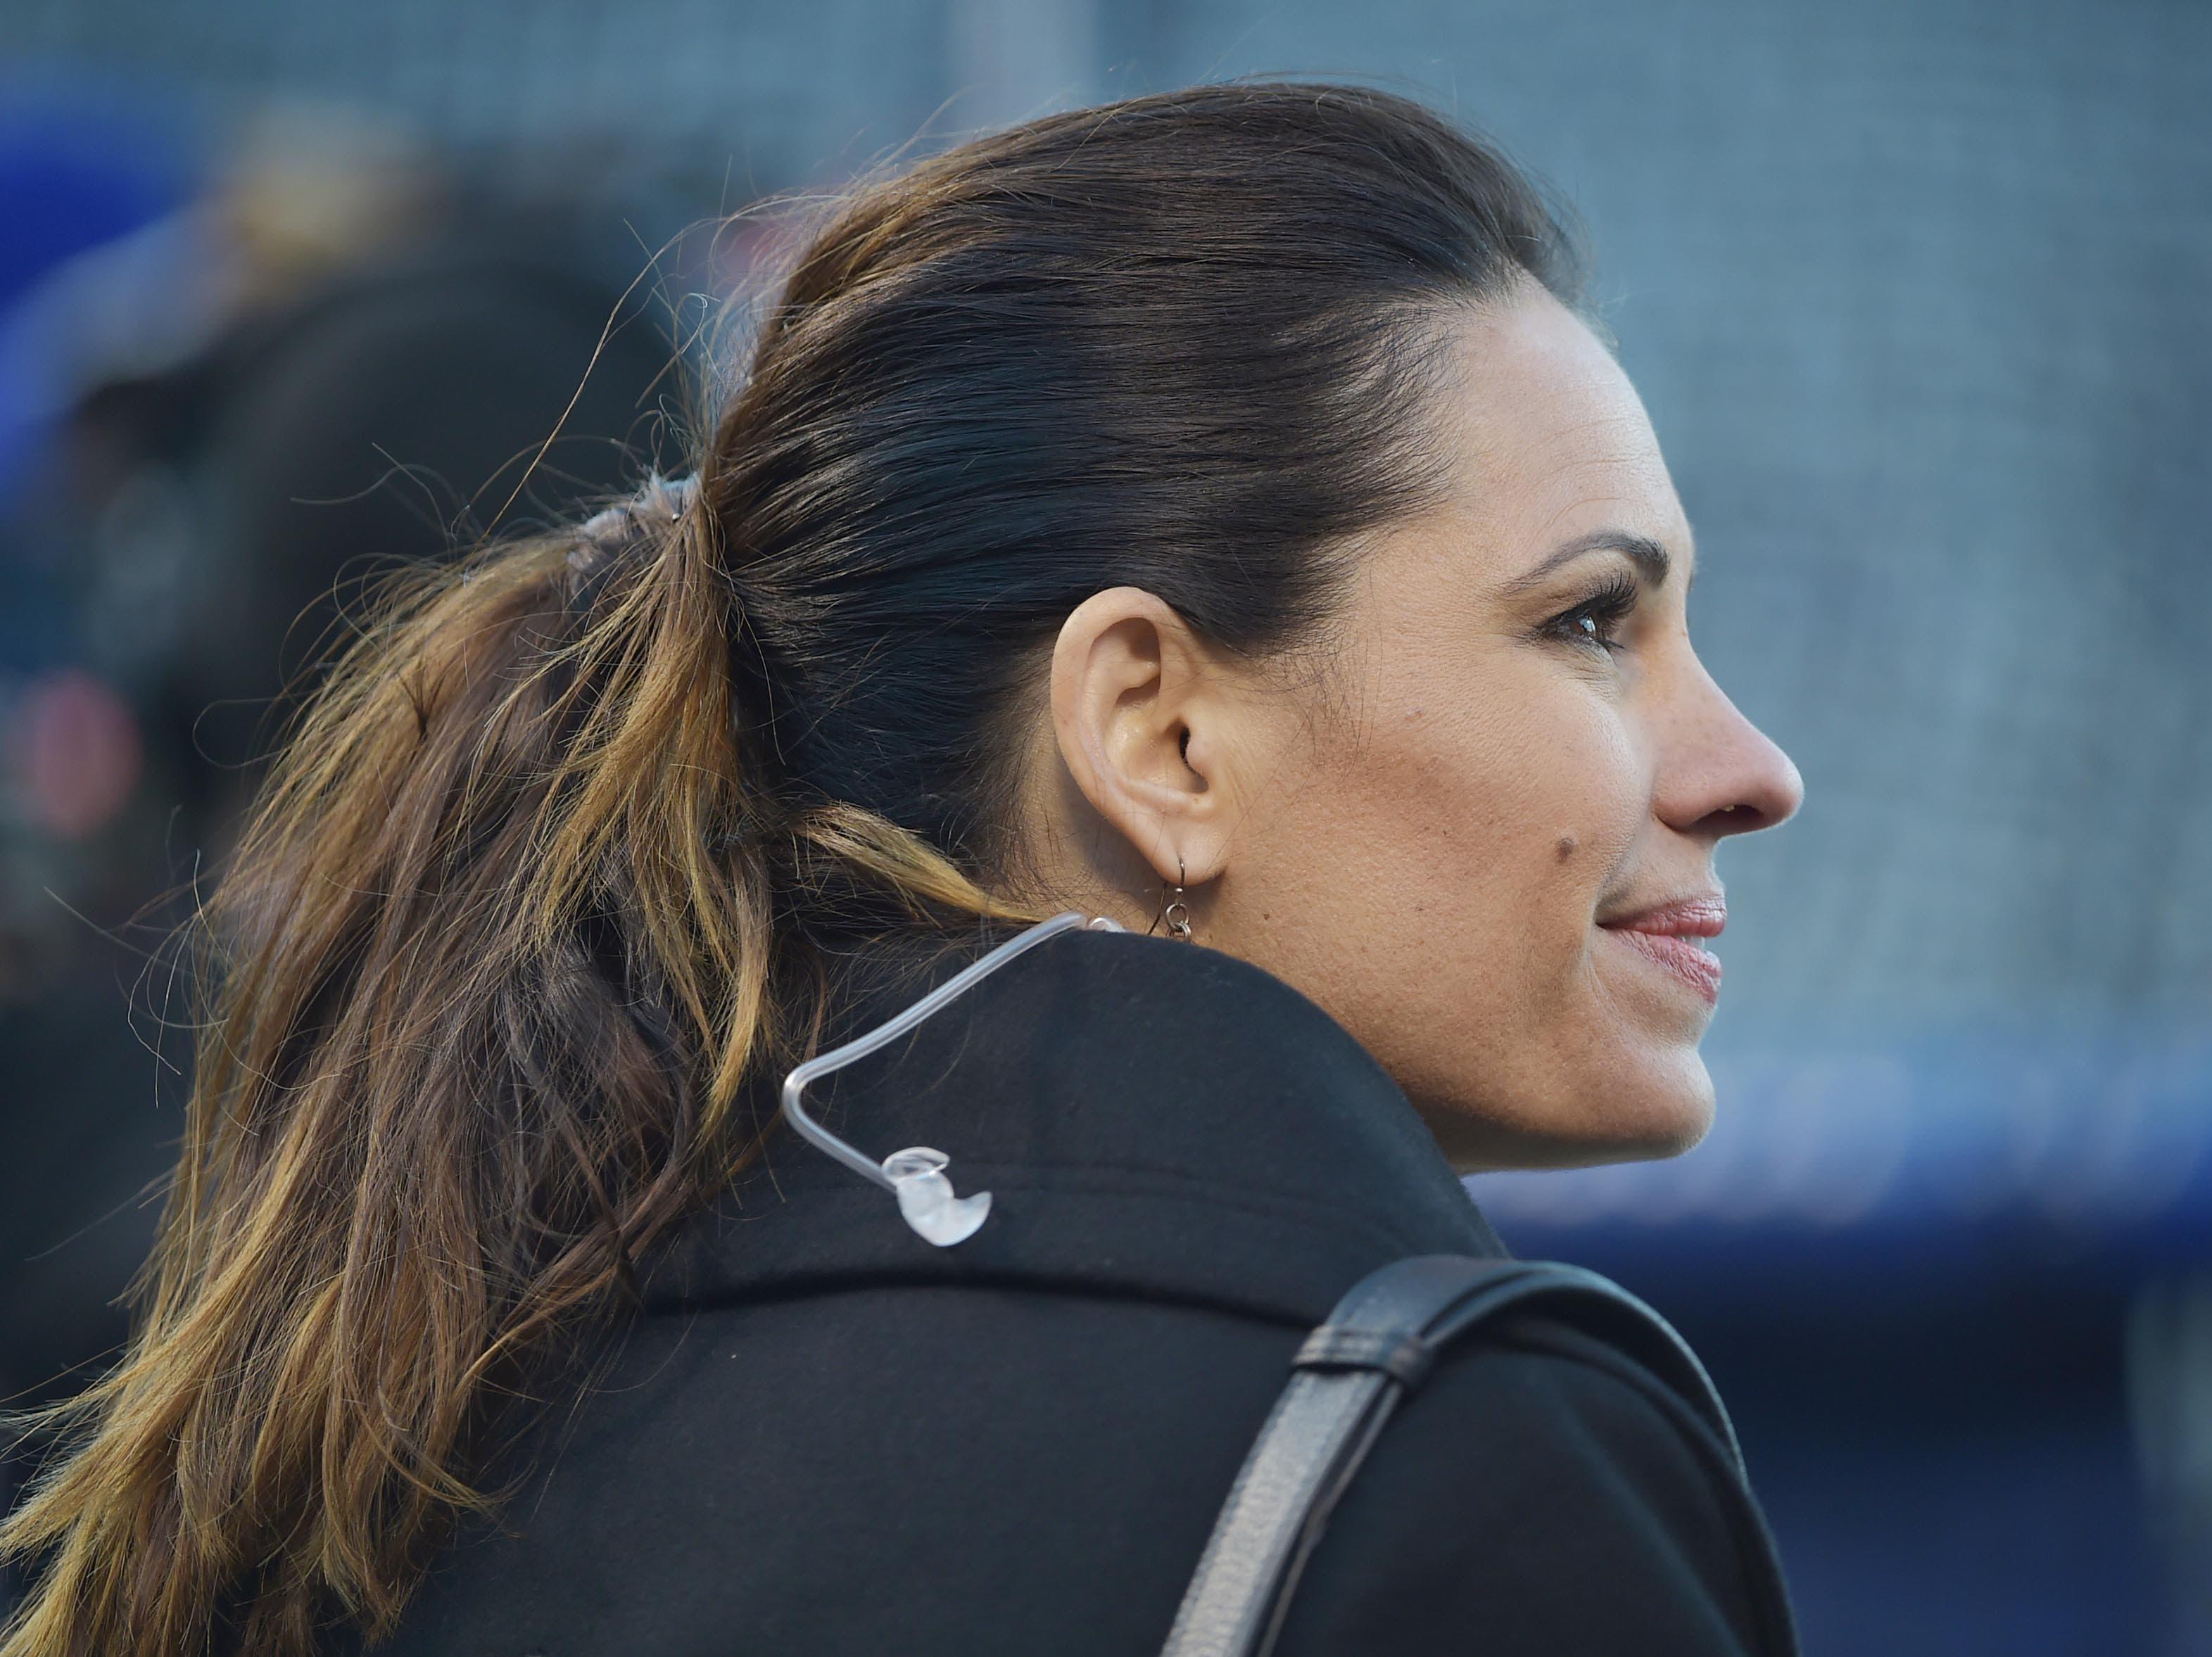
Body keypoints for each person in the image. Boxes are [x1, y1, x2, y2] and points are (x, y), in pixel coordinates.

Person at [0, 82, 1805, 1656]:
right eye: (1590, 620)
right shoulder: (1464, 1451)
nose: (1752, 769)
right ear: (1160, 734)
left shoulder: (424, 1390)